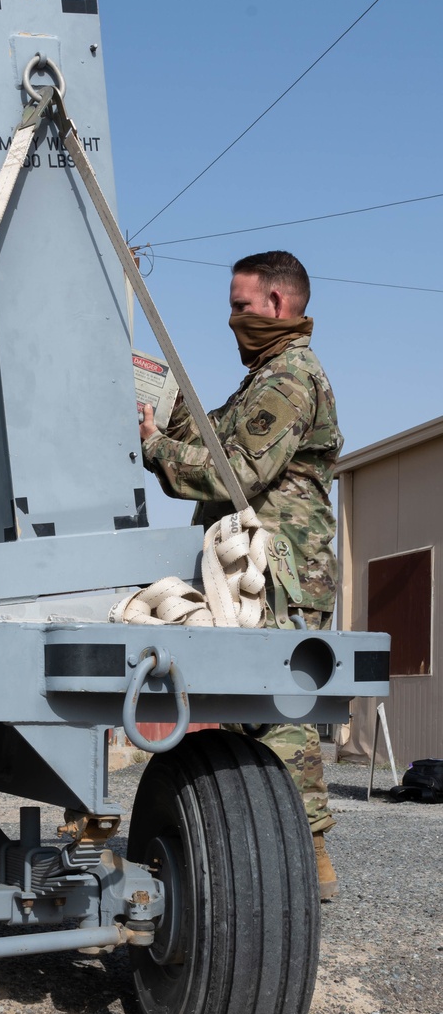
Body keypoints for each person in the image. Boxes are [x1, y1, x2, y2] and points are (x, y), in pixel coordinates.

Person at [138, 250, 342, 900]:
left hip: (280, 563)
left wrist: (157, 449)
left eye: (241, 305)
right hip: (257, 562)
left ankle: (309, 861)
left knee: (276, 706)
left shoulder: (289, 379)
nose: (232, 320)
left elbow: (235, 471)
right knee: (242, 708)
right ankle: (263, 860)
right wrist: (164, 410)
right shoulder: (265, 379)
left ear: (279, 304)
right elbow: (217, 436)